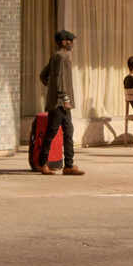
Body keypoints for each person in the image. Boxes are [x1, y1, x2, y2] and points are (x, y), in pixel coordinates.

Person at [38, 27, 82, 177]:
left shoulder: (56, 56)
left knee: (68, 132)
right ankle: (43, 163)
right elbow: (60, 79)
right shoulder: (62, 57)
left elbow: (43, 76)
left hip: (59, 101)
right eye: (69, 40)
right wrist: (65, 98)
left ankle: (68, 165)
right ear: (63, 42)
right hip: (61, 103)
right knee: (52, 132)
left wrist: (51, 90)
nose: (71, 43)